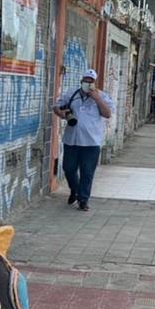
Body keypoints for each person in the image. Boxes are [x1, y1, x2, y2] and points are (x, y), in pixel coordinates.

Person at [52, 69, 114, 212]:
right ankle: (75, 189)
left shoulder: (102, 96)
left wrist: (96, 98)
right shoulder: (72, 94)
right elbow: (57, 106)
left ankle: (83, 199)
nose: (87, 83)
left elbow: (107, 114)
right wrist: (61, 114)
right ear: (81, 81)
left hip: (91, 143)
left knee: (87, 172)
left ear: (95, 83)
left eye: (90, 81)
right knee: (68, 168)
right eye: (85, 80)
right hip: (72, 140)